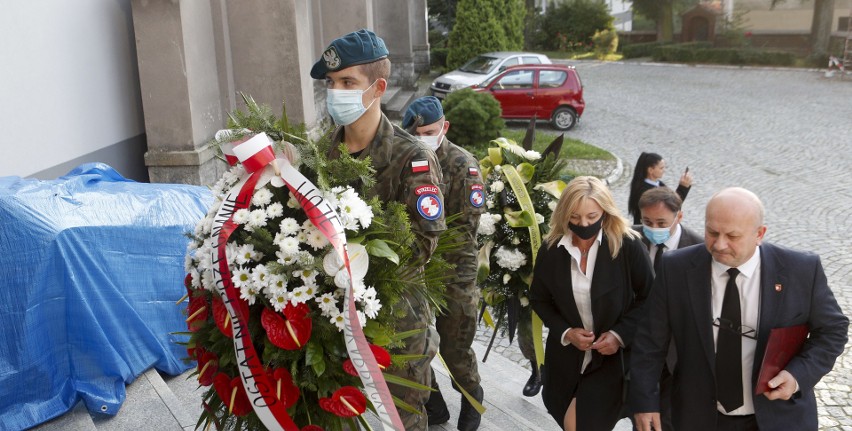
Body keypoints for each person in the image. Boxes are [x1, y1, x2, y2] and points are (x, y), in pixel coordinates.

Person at [311, 29, 447, 430]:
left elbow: (422, 243)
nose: (337, 92)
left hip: (396, 329)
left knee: (399, 422)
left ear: (378, 87)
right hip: (331, 322)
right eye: (332, 83)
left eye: (348, 83)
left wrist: (353, 253)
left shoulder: (412, 158)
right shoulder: (321, 153)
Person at [630, 187, 849, 431]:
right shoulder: (676, 268)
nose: (719, 244)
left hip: (778, 418)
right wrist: (645, 402)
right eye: (712, 232)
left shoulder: (801, 270)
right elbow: (650, 341)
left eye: (732, 236)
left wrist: (798, 375)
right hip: (700, 417)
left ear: (759, 234)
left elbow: (833, 330)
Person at [529, 176, 653, 431]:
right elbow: (539, 299)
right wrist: (566, 332)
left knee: (578, 425)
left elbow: (651, 298)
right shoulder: (551, 249)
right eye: (574, 217)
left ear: (605, 213)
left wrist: (620, 335)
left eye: (591, 216)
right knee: (566, 418)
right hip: (565, 361)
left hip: (610, 362)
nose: (583, 224)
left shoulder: (627, 246)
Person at [402, 96, 486, 431]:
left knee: (455, 346)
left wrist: (456, 282)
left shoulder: (463, 166)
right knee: (414, 343)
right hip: (415, 268)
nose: (423, 138)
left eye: (429, 131)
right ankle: (434, 406)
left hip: (454, 269)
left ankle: (472, 397)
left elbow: (464, 235)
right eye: (417, 133)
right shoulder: (405, 161)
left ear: (444, 127)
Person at [633, 187, 704, 431]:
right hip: (638, 350)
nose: (653, 228)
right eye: (647, 221)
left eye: (661, 222)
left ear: (679, 217)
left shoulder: (699, 249)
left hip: (679, 357)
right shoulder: (631, 239)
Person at [627, 152, 692, 225]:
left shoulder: (659, 184)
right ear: (650, 170)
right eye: (661, 168)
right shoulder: (645, 191)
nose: (664, 170)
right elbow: (669, 207)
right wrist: (683, 188)